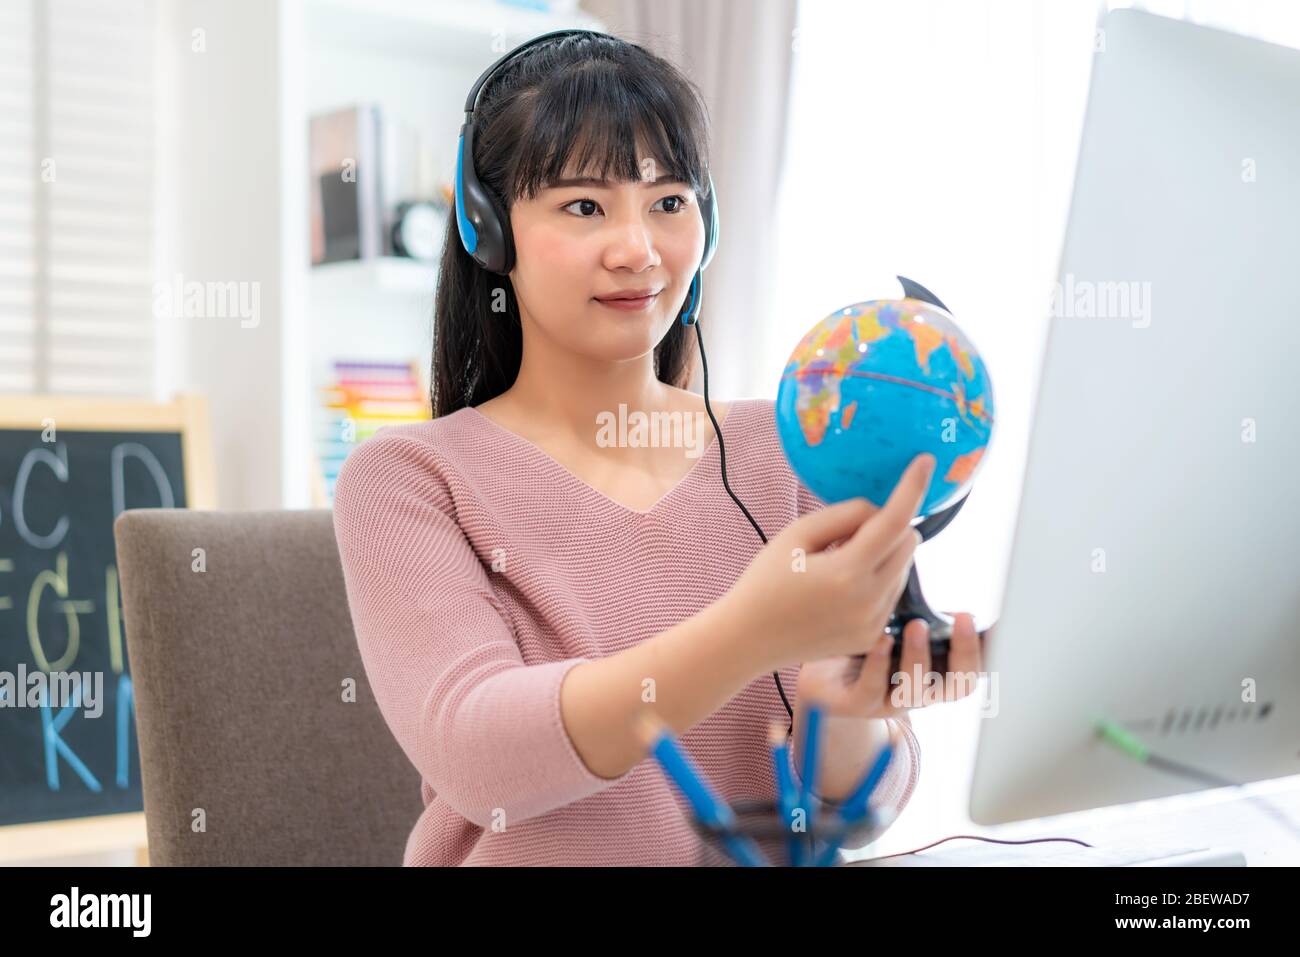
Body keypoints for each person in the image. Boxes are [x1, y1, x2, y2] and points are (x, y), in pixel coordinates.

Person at [331, 31, 982, 866]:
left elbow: (859, 802)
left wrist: (843, 709)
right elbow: (477, 756)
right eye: (584, 206)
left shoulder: (795, 450)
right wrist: (749, 633)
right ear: (487, 227)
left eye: (669, 201)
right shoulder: (409, 479)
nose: (638, 248)